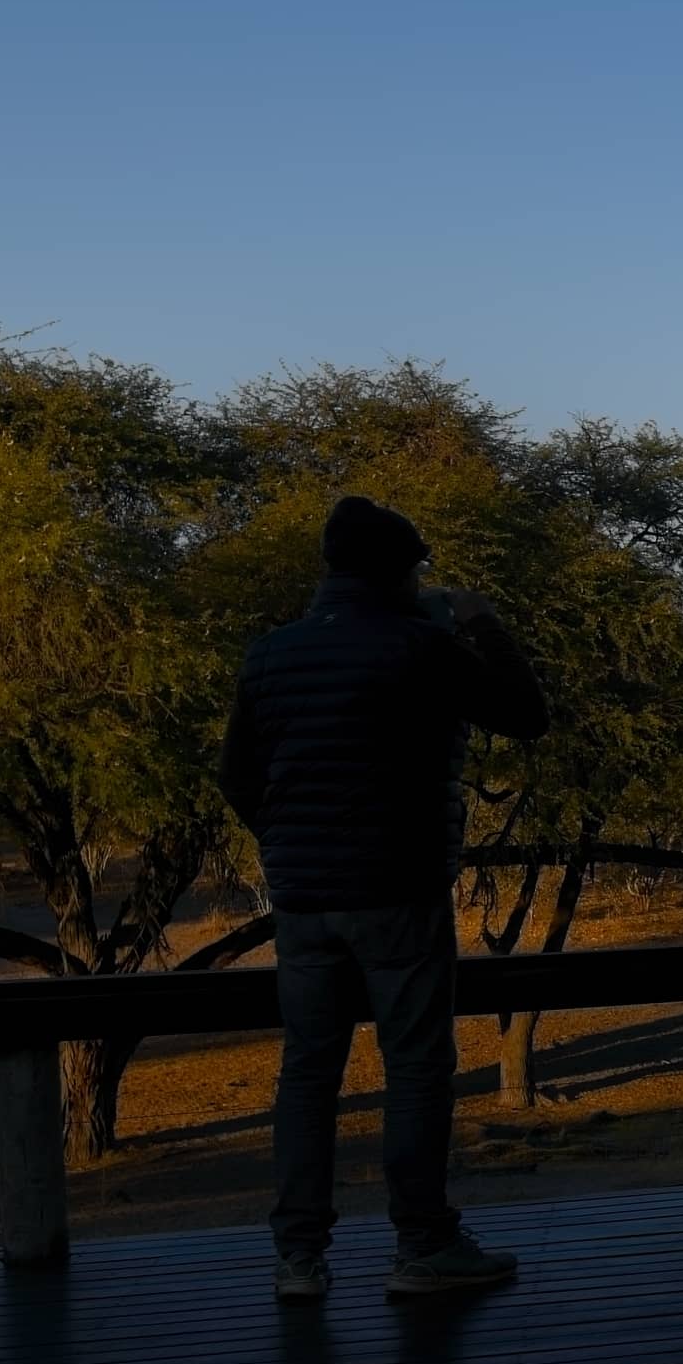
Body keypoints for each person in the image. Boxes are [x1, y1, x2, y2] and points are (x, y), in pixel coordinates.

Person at [221, 495, 551, 1301]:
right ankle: (423, 1245)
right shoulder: (421, 647)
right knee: (415, 1069)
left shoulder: (269, 655)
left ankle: (298, 1258)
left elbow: (237, 776)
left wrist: (292, 840)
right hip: (398, 891)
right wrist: (480, 622)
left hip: (303, 901)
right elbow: (526, 714)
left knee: (307, 1073)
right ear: (399, 571)